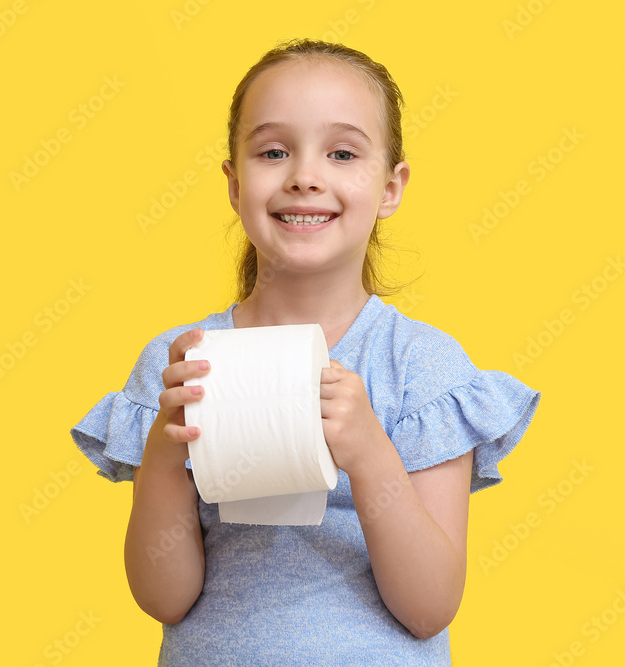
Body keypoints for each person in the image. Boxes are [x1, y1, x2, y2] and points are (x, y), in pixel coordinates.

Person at [69, 38, 540, 665]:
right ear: (235, 186)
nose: (304, 176)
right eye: (273, 152)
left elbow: (429, 607)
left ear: (391, 187)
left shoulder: (419, 366)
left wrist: (370, 452)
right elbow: (164, 597)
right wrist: (163, 450)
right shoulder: (182, 362)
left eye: (342, 152)